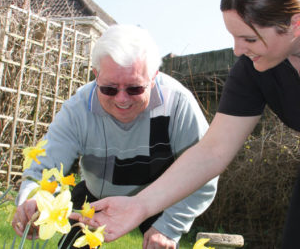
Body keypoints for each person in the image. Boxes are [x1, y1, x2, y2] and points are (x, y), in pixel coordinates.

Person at [74, 0, 300, 249]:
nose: (236, 50)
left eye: (248, 38)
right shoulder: (253, 68)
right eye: (233, 37)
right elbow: (212, 151)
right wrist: (139, 205)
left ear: (295, 25)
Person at [11, 24, 218, 249]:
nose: (121, 100)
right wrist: (34, 200)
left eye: (134, 89)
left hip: (158, 202)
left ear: (154, 76)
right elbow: (42, 167)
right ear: (95, 75)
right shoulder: (77, 108)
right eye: (109, 89)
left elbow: (203, 173)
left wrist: (170, 227)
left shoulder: (178, 104)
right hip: (95, 200)